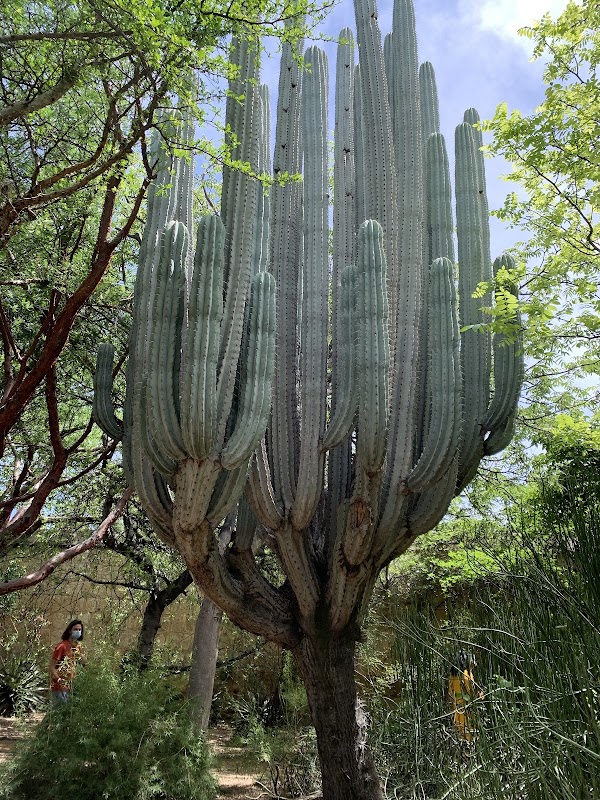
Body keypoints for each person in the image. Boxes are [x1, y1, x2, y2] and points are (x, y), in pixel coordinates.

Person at [49, 619, 87, 704]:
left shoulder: (78, 647)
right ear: (70, 631)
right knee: (58, 712)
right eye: (75, 629)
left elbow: (84, 663)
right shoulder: (61, 646)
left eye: (79, 630)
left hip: (71, 686)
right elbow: (52, 667)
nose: (78, 631)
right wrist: (58, 679)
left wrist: (80, 653)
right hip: (60, 686)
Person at [448, 650, 482, 742]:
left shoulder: (452, 676)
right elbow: (471, 696)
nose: (475, 663)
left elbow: (450, 696)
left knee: (460, 739)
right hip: (467, 712)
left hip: (457, 711)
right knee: (469, 739)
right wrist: (480, 695)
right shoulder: (466, 675)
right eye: (473, 660)